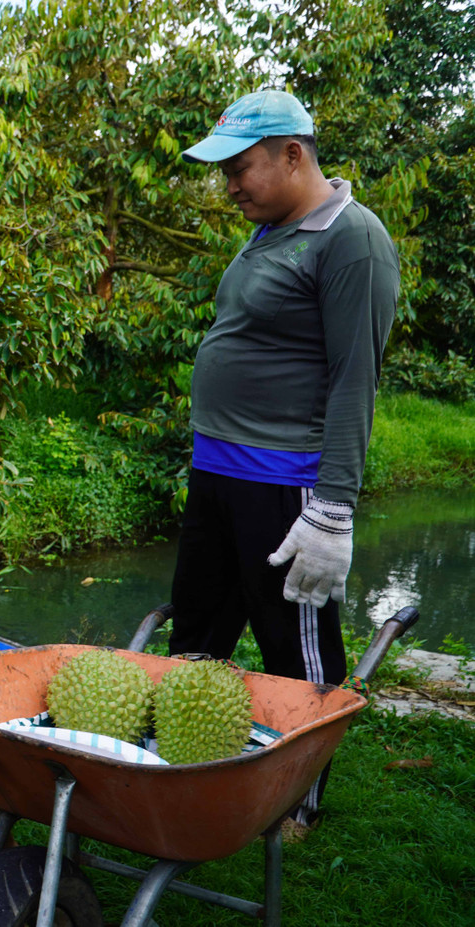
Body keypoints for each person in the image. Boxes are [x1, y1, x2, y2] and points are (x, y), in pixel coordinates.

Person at [169, 91, 400, 836]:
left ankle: (297, 799)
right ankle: (184, 764)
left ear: (293, 154)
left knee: (293, 651)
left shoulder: (351, 240)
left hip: (285, 486)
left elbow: (352, 379)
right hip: (219, 475)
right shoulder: (267, 231)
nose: (229, 185)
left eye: (240, 169)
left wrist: (332, 509)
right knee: (194, 638)